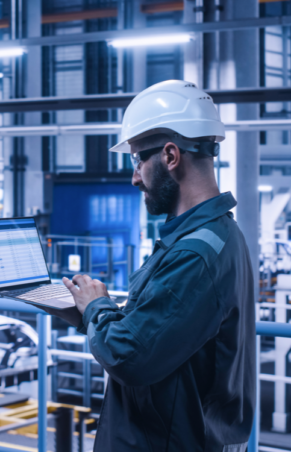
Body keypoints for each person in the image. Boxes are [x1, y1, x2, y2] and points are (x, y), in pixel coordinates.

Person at [55, 80, 256, 451]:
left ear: (170, 156)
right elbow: (162, 330)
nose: (134, 177)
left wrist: (98, 307)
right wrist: (86, 312)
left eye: (137, 160)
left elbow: (128, 357)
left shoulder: (194, 254)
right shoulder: (217, 235)